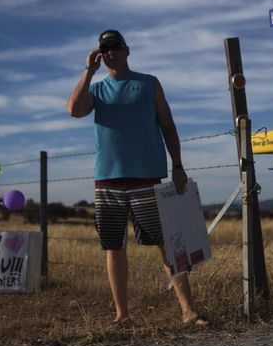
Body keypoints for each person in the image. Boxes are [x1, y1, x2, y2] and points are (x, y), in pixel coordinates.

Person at [67, 29, 207, 327]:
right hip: (108, 180)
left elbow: (167, 126)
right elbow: (74, 110)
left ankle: (187, 310)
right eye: (104, 49)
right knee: (113, 246)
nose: (110, 53)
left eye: (115, 47)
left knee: (167, 243)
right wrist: (88, 71)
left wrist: (178, 165)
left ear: (127, 50)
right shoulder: (97, 89)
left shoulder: (148, 83)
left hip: (147, 177)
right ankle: (122, 314)